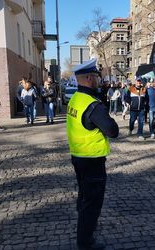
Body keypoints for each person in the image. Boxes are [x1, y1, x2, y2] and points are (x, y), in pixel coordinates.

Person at [66, 59, 119, 250]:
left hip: (78, 156)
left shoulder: (74, 99)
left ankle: (84, 229)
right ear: (88, 78)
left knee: (84, 198)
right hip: (92, 161)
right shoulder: (92, 105)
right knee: (92, 203)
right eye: (96, 76)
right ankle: (85, 243)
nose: (98, 79)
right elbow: (112, 130)